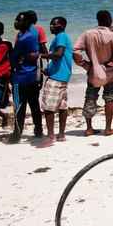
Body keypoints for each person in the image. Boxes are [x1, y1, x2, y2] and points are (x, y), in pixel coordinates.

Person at [73, 10, 113, 136]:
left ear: (98, 20)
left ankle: (89, 128)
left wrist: (84, 64)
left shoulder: (88, 34)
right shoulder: (112, 35)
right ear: (109, 20)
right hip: (110, 72)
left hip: (94, 72)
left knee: (90, 98)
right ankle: (108, 128)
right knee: (109, 99)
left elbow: (75, 51)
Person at [9, 12, 43, 143]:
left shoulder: (23, 38)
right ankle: (38, 130)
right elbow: (34, 54)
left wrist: (16, 61)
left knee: (18, 106)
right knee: (34, 105)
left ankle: (17, 134)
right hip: (32, 76)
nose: (16, 22)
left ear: (27, 22)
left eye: (19, 20)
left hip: (21, 77)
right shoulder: (32, 33)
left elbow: (15, 58)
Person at [38, 17, 73, 146]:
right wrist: (47, 70)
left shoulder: (61, 36)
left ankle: (51, 135)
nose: (51, 26)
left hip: (57, 78)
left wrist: (40, 55)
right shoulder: (60, 37)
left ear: (62, 25)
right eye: (51, 23)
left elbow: (58, 54)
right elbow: (59, 60)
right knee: (62, 106)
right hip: (62, 76)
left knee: (48, 108)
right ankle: (61, 134)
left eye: (54, 24)